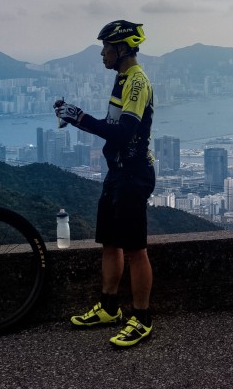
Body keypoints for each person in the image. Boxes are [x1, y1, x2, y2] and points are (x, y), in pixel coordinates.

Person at [55, 20, 157, 348]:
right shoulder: (122, 79)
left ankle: (141, 318)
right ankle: (110, 308)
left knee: (135, 249)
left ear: (122, 49)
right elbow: (112, 127)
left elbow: (123, 132)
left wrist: (79, 118)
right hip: (116, 173)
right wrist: (76, 117)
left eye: (106, 47)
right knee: (110, 243)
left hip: (134, 174)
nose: (102, 53)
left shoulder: (137, 82)